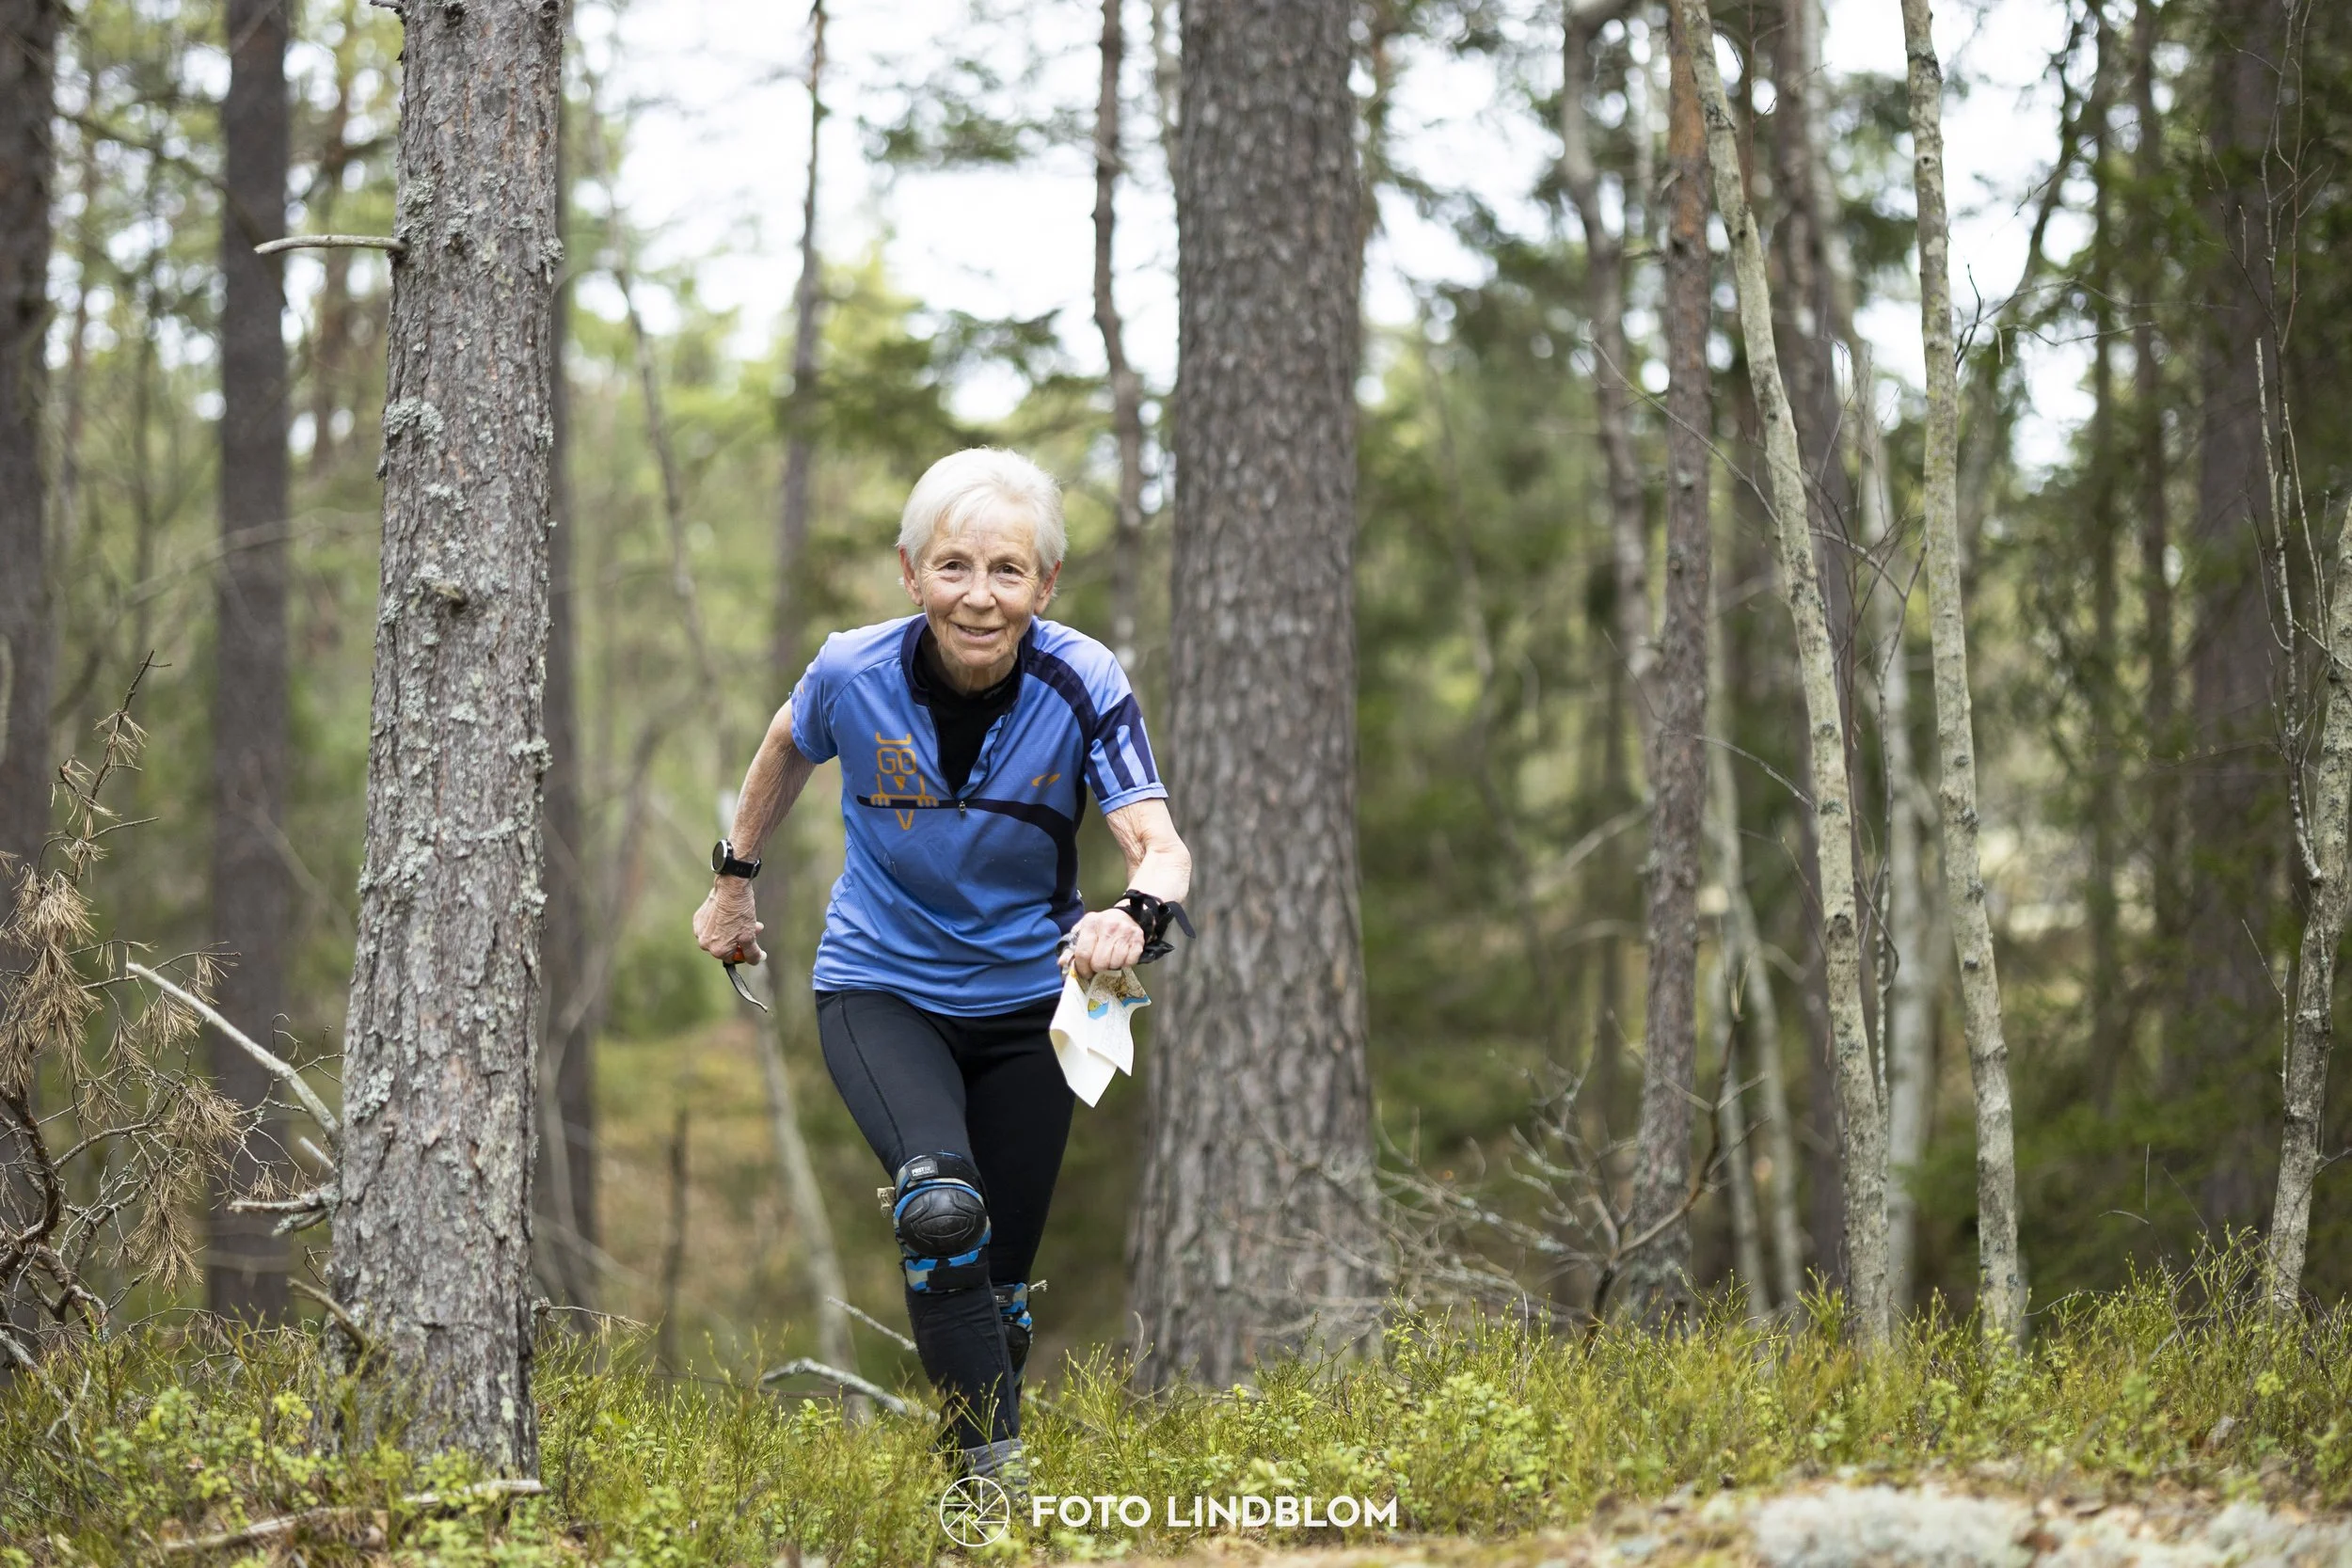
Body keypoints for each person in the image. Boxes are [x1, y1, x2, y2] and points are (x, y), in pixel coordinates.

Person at [691, 447, 1191, 1485]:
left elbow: (1160, 840)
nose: (979, 595)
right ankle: (993, 1492)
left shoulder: (1081, 676)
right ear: (911, 572)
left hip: (1037, 1003)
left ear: (1044, 585)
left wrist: (1132, 913)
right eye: (953, 566)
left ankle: (973, 1469)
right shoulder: (852, 669)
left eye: (1007, 570)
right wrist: (734, 878)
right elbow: (788, 736)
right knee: (940, 1206)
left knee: (996, 1285)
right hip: (882, 985)